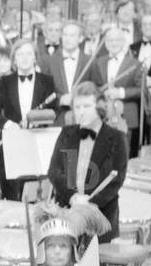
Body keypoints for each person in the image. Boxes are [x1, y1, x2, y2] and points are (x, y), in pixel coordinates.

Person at [47, 83, 127, 241]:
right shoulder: (67, 133)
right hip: (66, 214)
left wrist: (89, 203)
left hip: (101, 218)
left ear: (99, 107)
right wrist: (73, 197)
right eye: (77, 107)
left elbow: (116, 179)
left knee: (96, 265)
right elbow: (55, 172)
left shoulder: (116, 138)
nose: (81, 112)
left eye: (86, 106)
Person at [0, 39, 57, 200]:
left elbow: (54, 110)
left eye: (29, 53)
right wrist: (8, 124)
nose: (24, 58)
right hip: (12, 141)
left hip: (38, 139)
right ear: (14, 59)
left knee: (36, 191)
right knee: (11, 191)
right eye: (20, 54)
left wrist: (37, 120)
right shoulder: (5, 82)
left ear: (35, 57)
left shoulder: (47, 81)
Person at [84, 26, 142, 155]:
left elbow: (141, 90)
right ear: (105, 43)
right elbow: (95, 86)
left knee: (123, 155)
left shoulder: (135, 63)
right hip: (103, 115)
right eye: (110, 40)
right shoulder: (98, 62)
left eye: (117, 40)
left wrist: (120, 92)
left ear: (123, 42)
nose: (113, 43)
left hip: (125, 117)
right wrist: (101, 92)